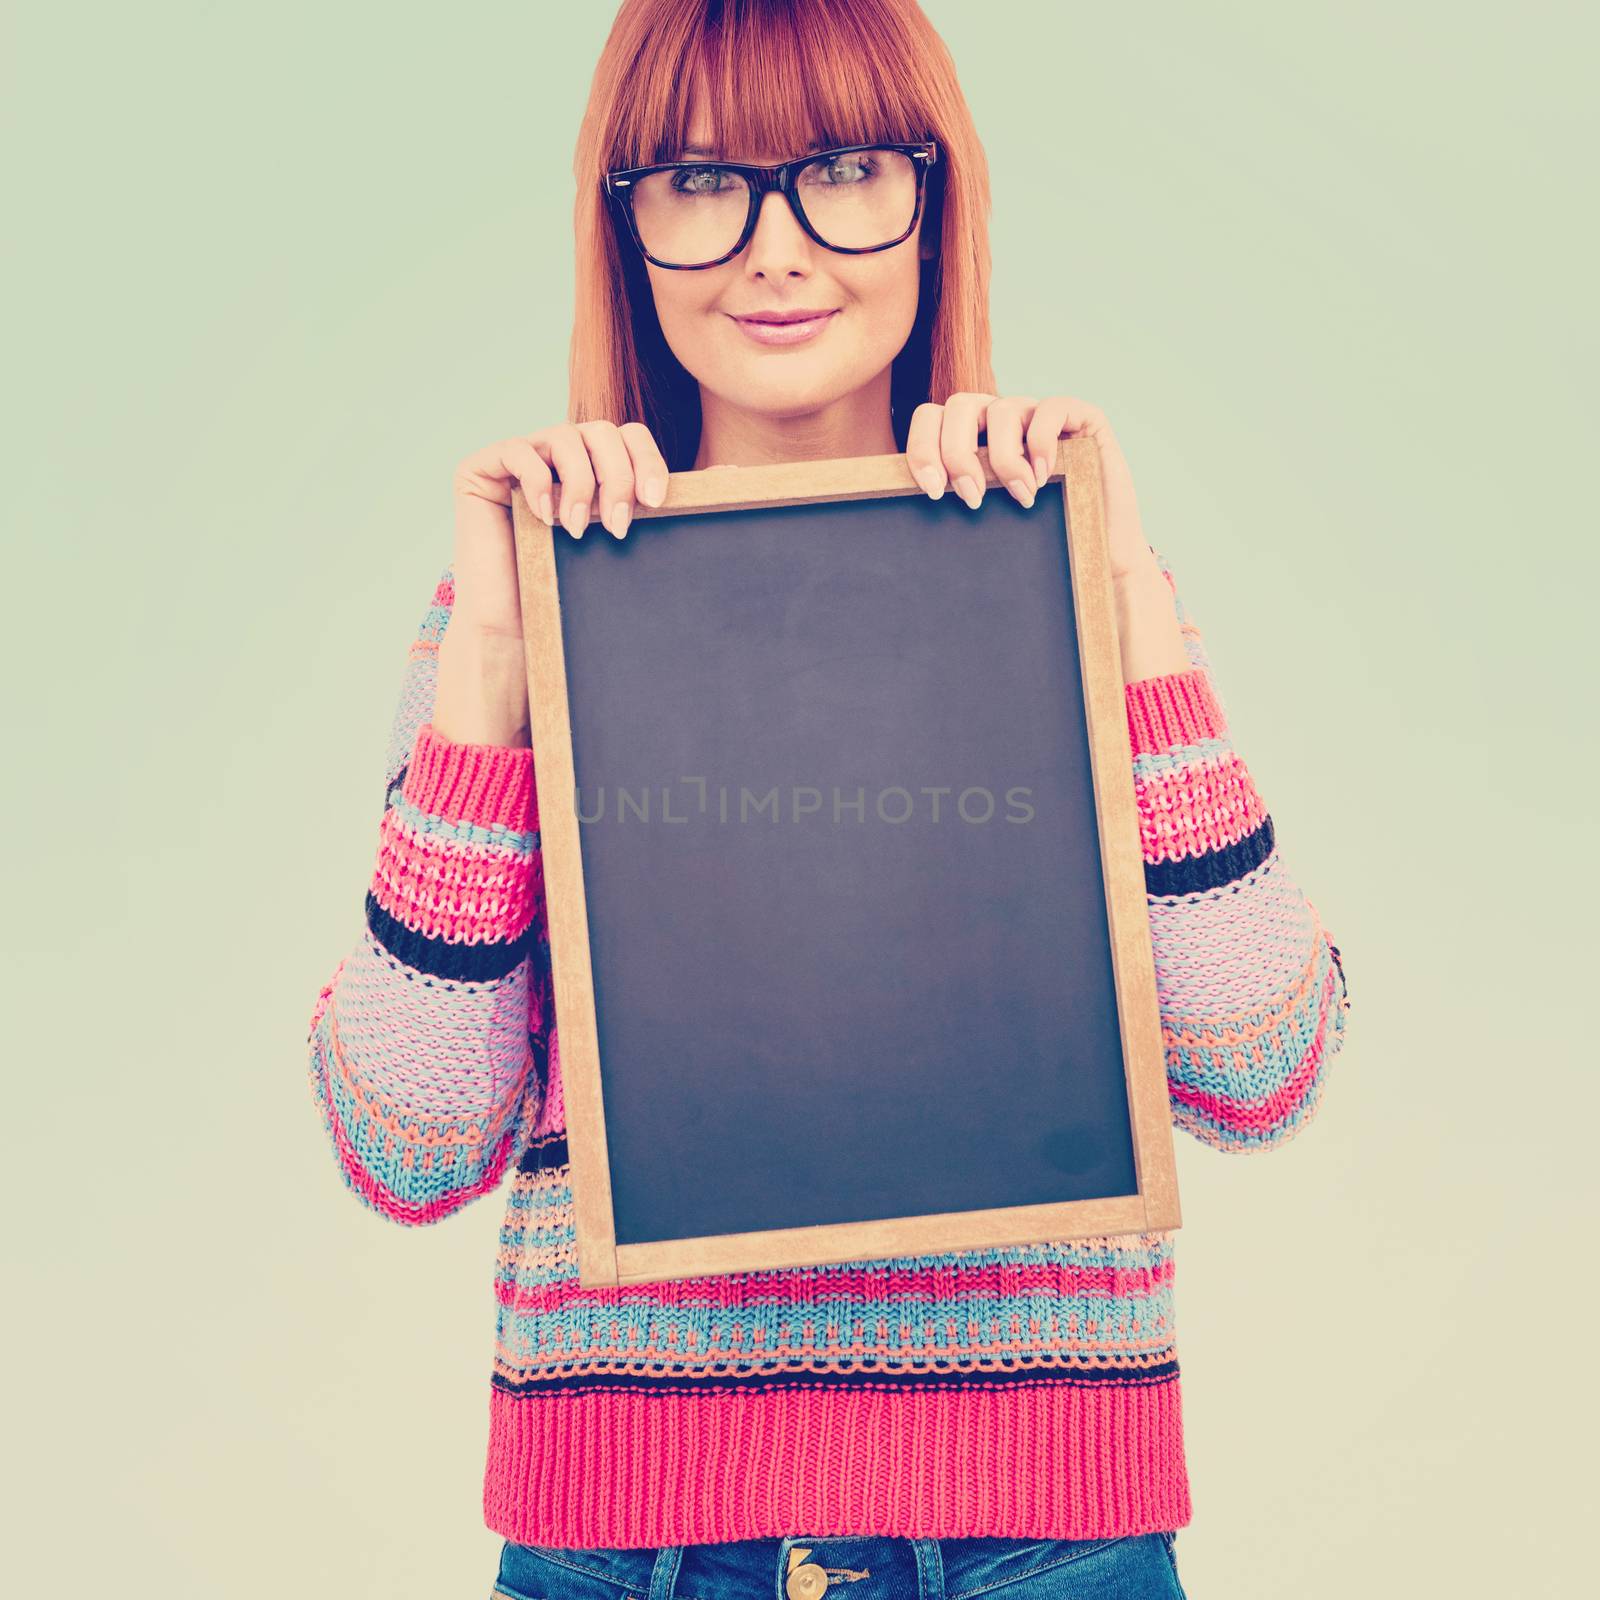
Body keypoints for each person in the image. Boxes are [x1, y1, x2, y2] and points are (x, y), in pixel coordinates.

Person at [305, 2, 1352, 1596]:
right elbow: (408, 1148)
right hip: (630, 1541)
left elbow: (1259, 1074)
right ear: (627, 228)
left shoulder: (1076, 579)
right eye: (702, 182)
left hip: (1048, 1536)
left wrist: (1125, 597)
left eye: (847, 170)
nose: (774, 251)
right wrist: (497, 668)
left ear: (936, 204)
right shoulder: (504, 626)